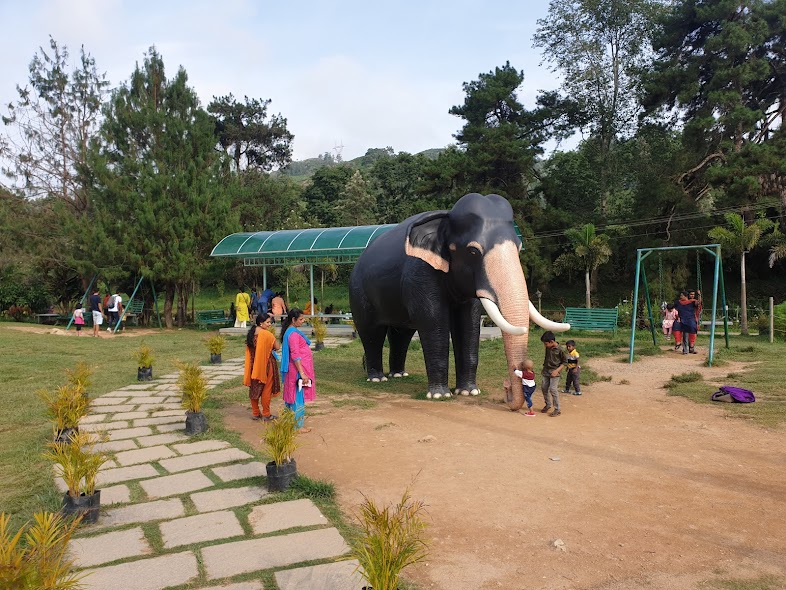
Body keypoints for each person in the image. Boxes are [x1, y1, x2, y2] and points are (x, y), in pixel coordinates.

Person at [280, 309, 316, 432]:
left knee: (292, 396)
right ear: (293, 320)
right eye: (300, 319)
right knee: (297, 397)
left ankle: (289, 422)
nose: (303, 321)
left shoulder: (290, 332)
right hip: (296, 371)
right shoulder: (293, 334)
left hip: (293, 370)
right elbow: (295, 355)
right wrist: (302, 373)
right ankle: (297, 426)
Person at [243, 313, 281, 421]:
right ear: (261, 323)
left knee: (254, 389)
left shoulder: (251, 334)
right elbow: (277, 347)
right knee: (266, 390)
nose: (269, 324)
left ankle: (255, 413)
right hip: (266, 366)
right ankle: (266, 414)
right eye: (268, 322)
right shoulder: (266, 334)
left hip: (253, 366)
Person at [540, 331, 568, 417]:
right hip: (546, 371)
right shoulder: (548, 347)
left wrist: (557, 371)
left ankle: (557, 409)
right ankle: (548, 404)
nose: (545, 345)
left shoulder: (561, 350)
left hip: (555, 372)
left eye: (546, 344)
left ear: (552, 342)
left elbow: (565, 362)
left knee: (553, 389)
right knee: (544, 387)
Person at [673, 290, 701, 354]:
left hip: (690, 319)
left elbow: (699, 303)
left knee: (692, 328)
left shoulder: (692, 302)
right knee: (677, 325)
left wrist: (699, 295)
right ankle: (680, 344)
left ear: (685, 296)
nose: (680, 297)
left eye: (681, 295)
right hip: (682, 319)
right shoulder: (678, 302)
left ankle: (691, 347)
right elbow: (673, 309)